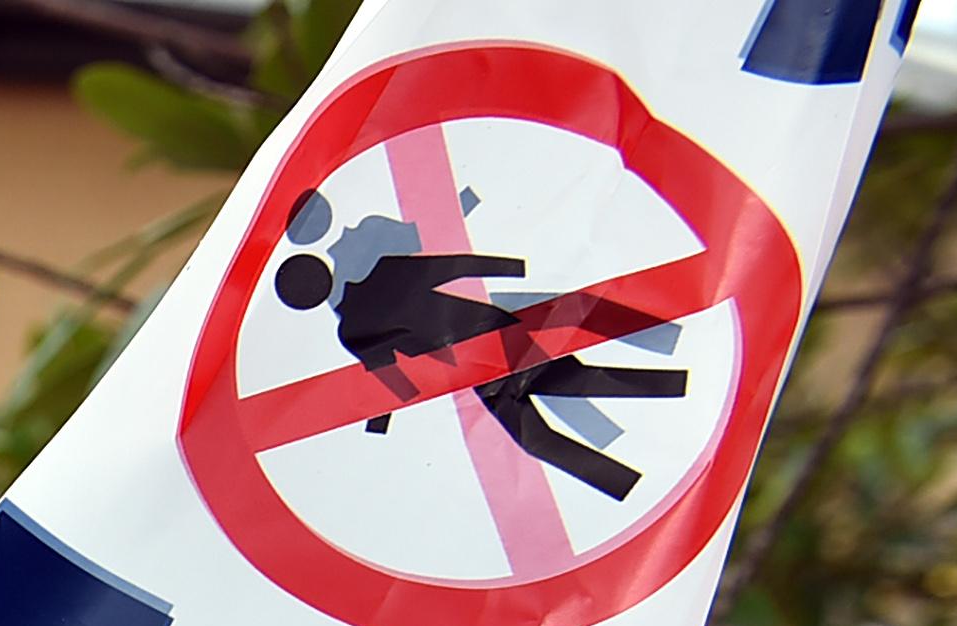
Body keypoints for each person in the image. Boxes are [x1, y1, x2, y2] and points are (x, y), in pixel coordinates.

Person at [271, 186, 686, 499]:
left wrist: (377, 430)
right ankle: (668, 398)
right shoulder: (384, 271)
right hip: (489, 333)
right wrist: (510, 264)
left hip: (472, 365)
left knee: (547, 416)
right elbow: (449, 263)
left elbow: (397, 385)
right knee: (570, 375)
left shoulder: (352, 324)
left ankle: (631, 473)